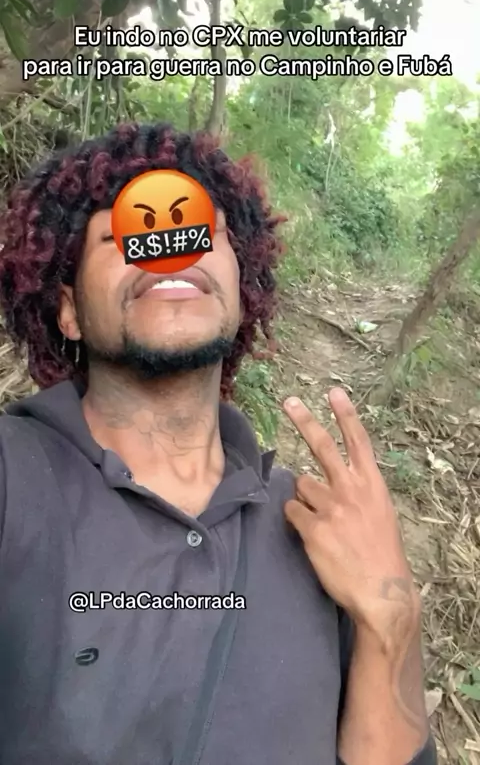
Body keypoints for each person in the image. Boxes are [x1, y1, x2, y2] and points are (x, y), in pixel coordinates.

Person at [0, 122, 437, 765]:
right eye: (126, 234)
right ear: (68, 310)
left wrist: (392, 619)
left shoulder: (322, 525)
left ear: (240, 287)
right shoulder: (14, 477)